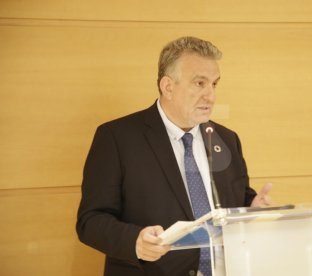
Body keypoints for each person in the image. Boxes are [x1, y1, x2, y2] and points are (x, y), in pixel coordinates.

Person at [76, 36, 272, 276]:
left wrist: (250, 208)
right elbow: (90, 221)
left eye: (214, 84)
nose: (210, 95)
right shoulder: (117, 138)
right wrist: (134, 241)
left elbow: (236, 200)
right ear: (168, 86)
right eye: (200, 83)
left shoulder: (226, 139)